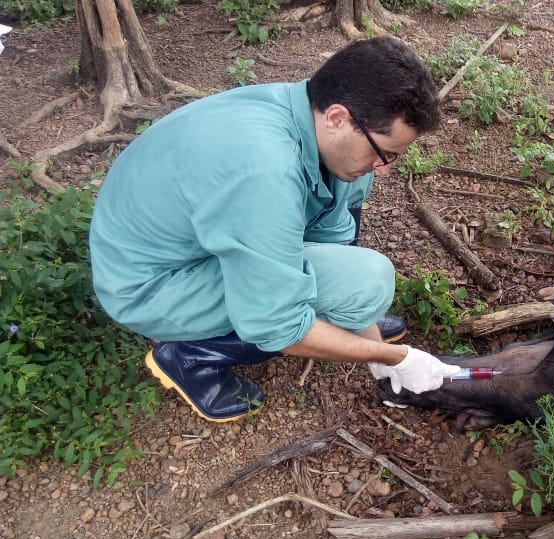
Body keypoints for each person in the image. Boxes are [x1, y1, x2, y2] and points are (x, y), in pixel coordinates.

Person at [89, 37, 460, 424]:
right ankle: (191, 358)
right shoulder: (265, 171)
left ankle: (343, 313)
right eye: (383, 153)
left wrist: (359, 321)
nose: (384, 169)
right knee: (363, 281)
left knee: (357, 271)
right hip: (152, 284)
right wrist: (394, 357)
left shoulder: (321, 127)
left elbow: (337, 243)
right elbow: (276, 323)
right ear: (337, 118)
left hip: (202, 240)